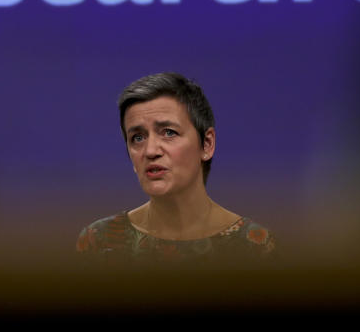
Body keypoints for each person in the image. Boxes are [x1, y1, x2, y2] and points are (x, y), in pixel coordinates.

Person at [77, 72, 276, 263]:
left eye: (169, 133)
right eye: (137, 138)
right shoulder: (100, 242)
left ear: (207, 144)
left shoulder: (253, 246)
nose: (150, 150)